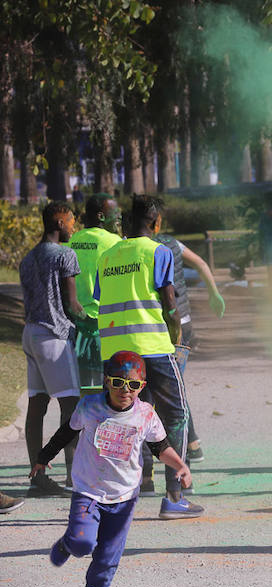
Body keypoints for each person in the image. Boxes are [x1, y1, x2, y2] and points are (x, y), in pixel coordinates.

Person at [30, 351, 193, 587]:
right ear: (106, 380)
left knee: (107, 558)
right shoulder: (89, 405)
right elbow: (67, 432)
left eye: (133, 385)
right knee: (83, 542)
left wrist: (180, 465)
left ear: (142, 386)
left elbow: (160, 447)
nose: (124, 390)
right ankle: (68, 543)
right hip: (88, 490)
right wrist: (43, 457)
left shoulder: (146, 414)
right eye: (117, 382)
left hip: (124, 497)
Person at [94, 195, 203, 519]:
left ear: (128, 222)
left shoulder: (108, 255)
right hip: (153, 347)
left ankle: (115, 497)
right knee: (177, 414)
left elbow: (105, 299)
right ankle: (174, 496)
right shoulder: (159, 251)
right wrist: (177, 335)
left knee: (122, 419)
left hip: (115, 353)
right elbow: (170, 303)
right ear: (155, 223)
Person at [151, 205, 226, 470]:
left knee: (169, 388)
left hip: (164, 325)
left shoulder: (141, 248)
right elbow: (203, 264)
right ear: (157, 222)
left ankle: (188, 448)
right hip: (184, 322)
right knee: (174, 384)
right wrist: (213, 293)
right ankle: (192, 444)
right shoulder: (174, 243)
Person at [19, 201, 85, 496]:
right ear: (59, 222)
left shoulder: (28, 258)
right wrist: (93, 320)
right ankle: (76, 476)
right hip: (54, 337)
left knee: (37, 407)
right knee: (71, 406)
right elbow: (72, 305)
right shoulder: (64, 255)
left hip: (31, 334)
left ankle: (38, 477)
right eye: (72, 221)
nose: (74, 226)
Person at [67, 193, 122, 397]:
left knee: (84, 389)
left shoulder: (73, 240)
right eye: (114, 213)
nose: (118, 217)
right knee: (108, 389)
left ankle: (84, 427)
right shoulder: (114, 242)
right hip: (105, 325)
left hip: (78, 323)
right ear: (101, 216)